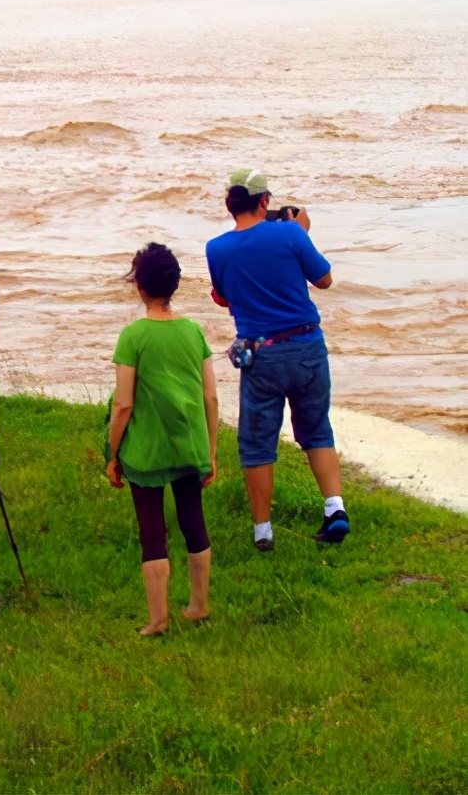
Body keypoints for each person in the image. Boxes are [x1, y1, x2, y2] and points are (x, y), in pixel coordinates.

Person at [205, 169, 350, 551]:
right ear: (264, 201)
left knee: (257, 445)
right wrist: (301, 233)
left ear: (228, 204)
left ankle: (263, 532)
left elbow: (221, 298)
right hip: (306, 346)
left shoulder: (216, 248)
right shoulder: (289, 234)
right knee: (317, 430)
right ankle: (335, 509)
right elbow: (324, 280)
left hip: (260, 355)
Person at [106, 243, 218, 636]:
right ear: (174, 284)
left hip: (146, 451)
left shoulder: (133, 336)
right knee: (194, 522)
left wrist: (113, 452)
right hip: (189, 444)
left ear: (138, 285)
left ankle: (157, 620)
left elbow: (123, 404)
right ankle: (198, 605)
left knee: (152, 531)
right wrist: (211, 452)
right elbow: (210, 396)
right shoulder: (193, 331)